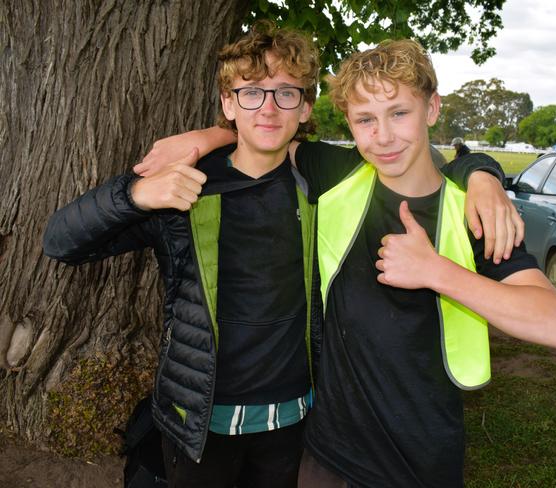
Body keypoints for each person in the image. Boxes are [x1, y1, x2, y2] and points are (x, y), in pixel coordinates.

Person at [42, 24, 520, 488]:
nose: (268, 108)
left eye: (286, 93)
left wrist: (483, 174)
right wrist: (138, 194)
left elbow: (418, 162)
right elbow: (61, 242)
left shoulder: (323, 182)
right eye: (251, 92)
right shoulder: (182, 185)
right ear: (228, 104)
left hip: (296, 426)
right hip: (198, 424)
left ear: (305, 106)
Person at [290, 40, 556, 487]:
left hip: (419, 464)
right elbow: (262, 136)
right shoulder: (336, 173)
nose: (382, 136)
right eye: (365, 119)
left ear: (432, 109)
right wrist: (201, 138)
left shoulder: (474, 214)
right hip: (329, 456)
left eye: (399, 113)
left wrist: (436, 271)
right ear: (349, 122)